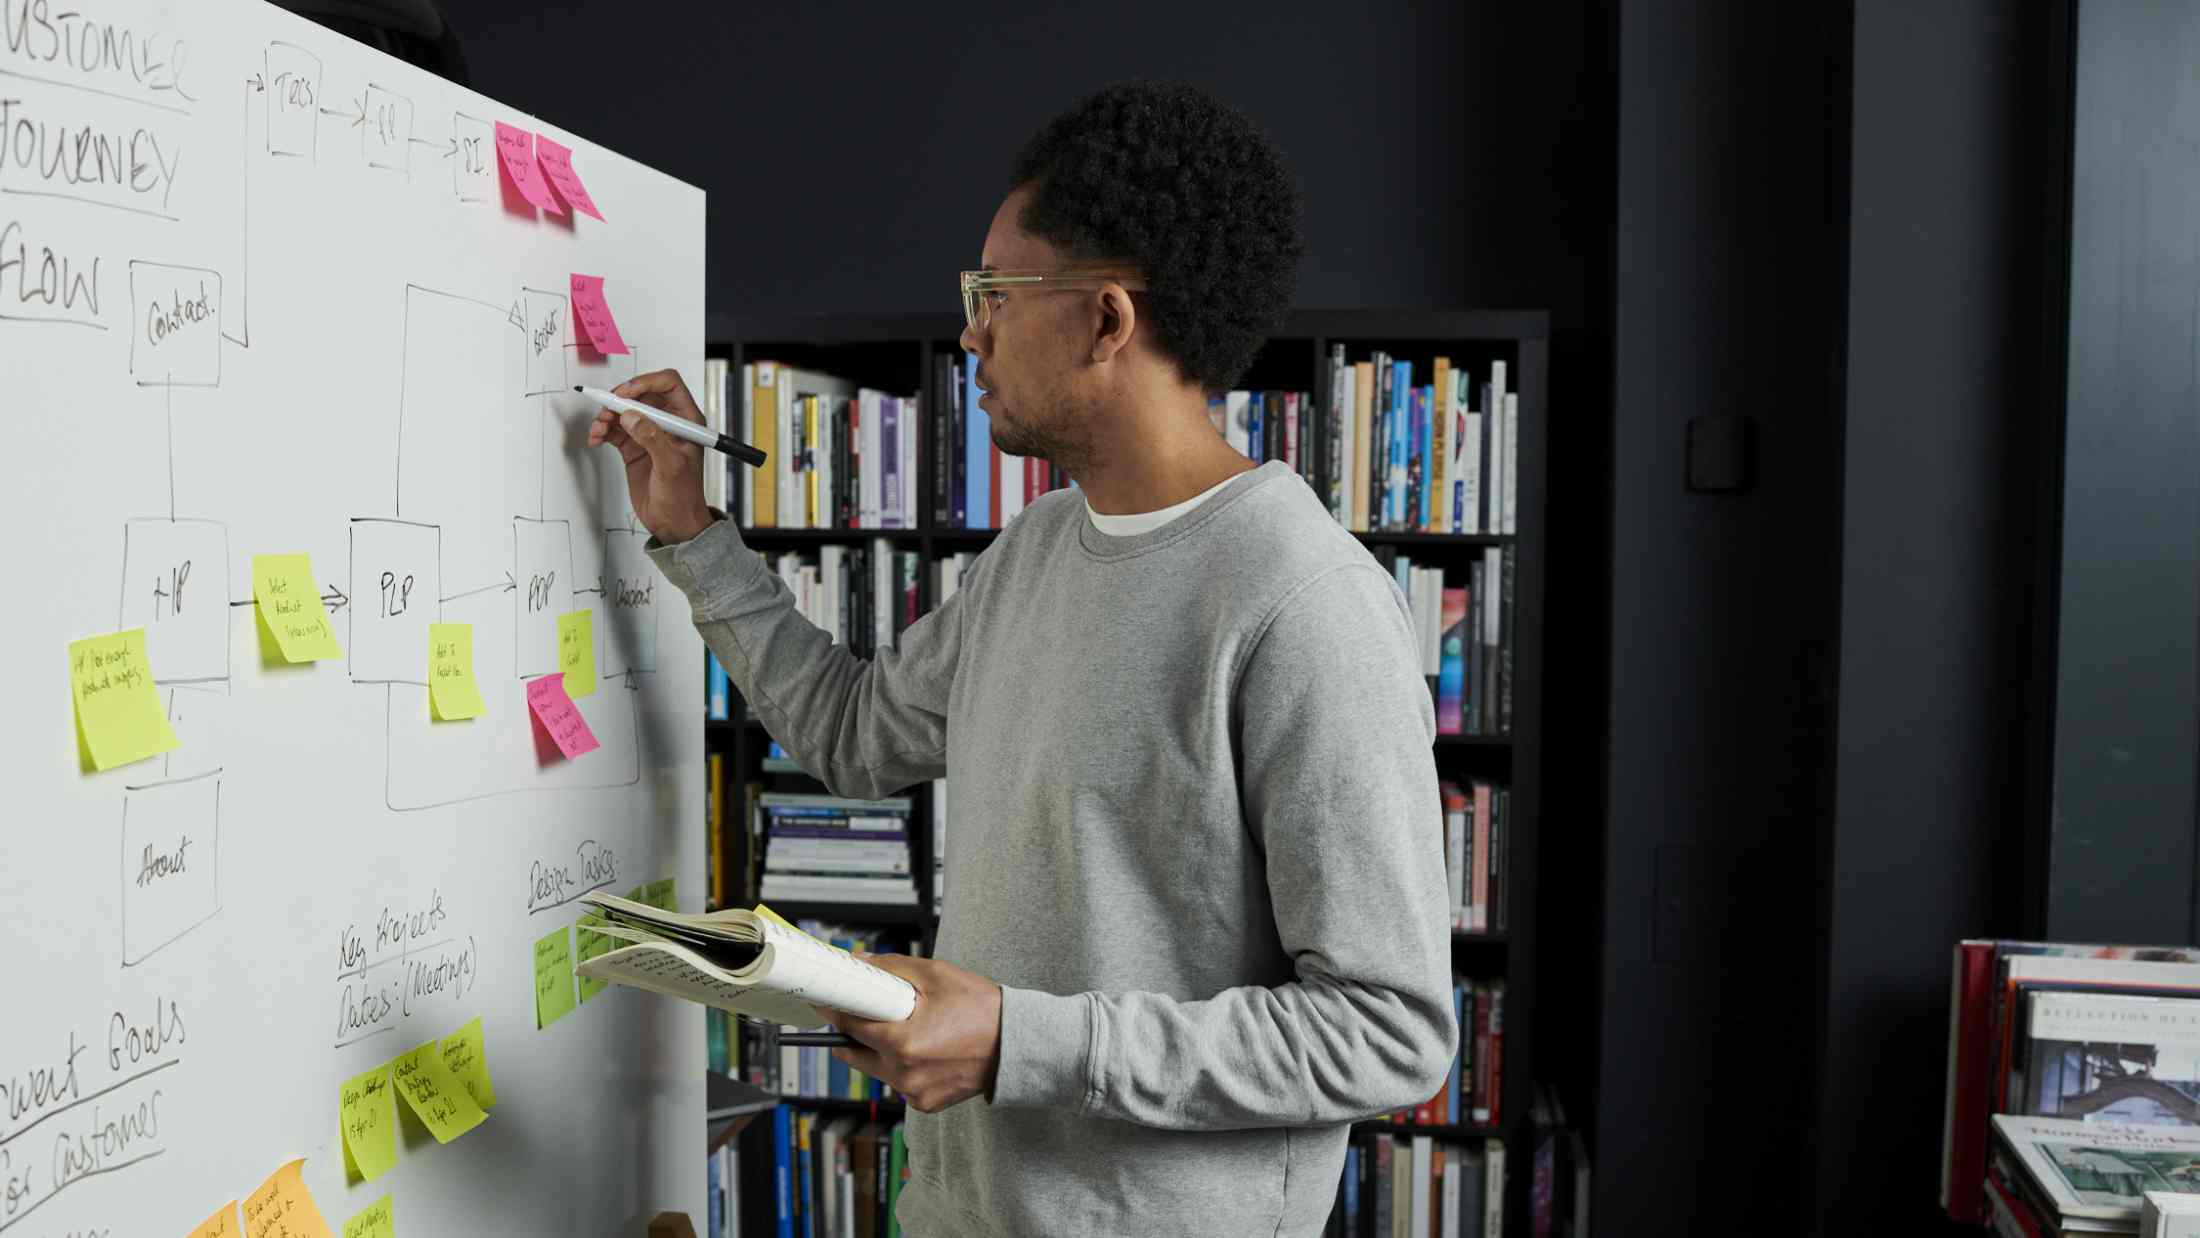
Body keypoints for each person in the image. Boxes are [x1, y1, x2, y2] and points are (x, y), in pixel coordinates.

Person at [591, 80, 1454, 1238]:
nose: (970, 331)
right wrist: (694, 535)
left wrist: (1017, 1038)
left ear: (1106, 319)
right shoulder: (1037, 547)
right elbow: (853, 733)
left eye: (992, 294)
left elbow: (1386, 1031)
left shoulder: (1307, 605)